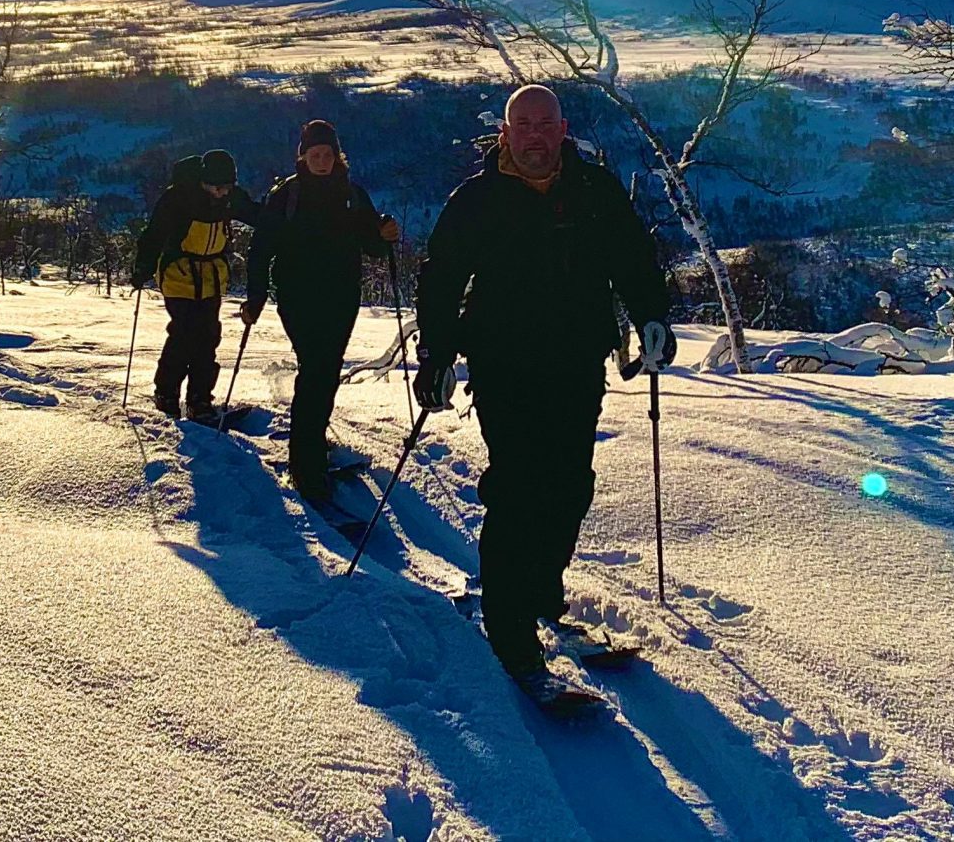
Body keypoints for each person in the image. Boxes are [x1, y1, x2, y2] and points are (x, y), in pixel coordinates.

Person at [414, 84, 673, 694]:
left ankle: (540, 593)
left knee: (570, 486)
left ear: (562, 130)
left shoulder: (595, 192)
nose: (533, 134)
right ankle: (509, 628)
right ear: (506, 135)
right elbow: (443, 277)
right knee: (516, 488)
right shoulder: (478, 199)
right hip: (503, 364)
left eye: (543, 123)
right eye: (521, 124)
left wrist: (652, 317)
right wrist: (437, 353)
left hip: (577, 360)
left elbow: (634, 261)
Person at [242, 119, 401, 498]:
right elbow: (262, 249)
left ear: (336, 156)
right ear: (303, 156)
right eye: (315, 154)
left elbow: (372, 246)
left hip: (342, 298)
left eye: (327, 154)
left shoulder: (352, 194)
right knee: (316, 370)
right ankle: (306, 461)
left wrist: (384, 234)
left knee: (326, 372)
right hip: (298, 298)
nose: (322, 161)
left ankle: (311, 440)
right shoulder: (287, 196)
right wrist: (256, 297)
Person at [134, 148, 262, 423]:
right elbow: (154, 234)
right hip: (178, 274)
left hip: (212, 278)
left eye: (227, 187)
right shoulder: (179, 198)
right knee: (184, 334)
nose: (222, 193)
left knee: (208, 337)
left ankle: (199, 400)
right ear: (203, 181)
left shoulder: (230, 199)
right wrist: (142, 267)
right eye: (216, 187)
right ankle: (167, 393)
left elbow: (257, 215)